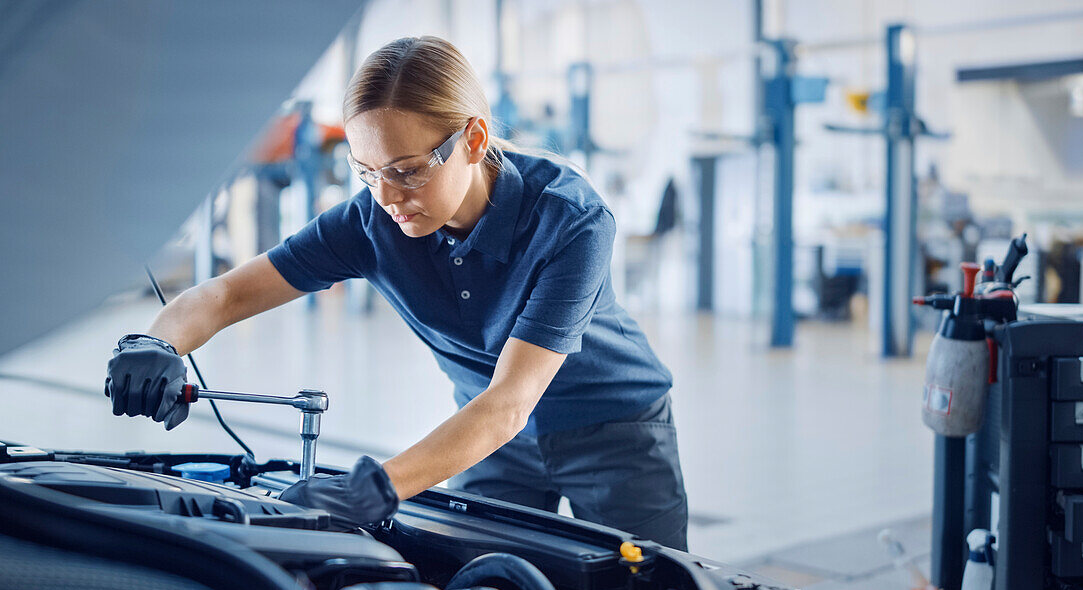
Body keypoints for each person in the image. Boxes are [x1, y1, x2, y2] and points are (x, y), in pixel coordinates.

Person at [106, 36, 688, 550]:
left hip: (615, 433)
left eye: (407, 170)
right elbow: (230, 293)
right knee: (479, 585)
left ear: (474, 138)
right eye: (366, 171)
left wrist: (378, 487)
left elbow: (510, 402)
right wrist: (155, 342)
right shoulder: (371, 223)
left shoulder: (570, 220)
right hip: (487, 439)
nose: (387, 196)